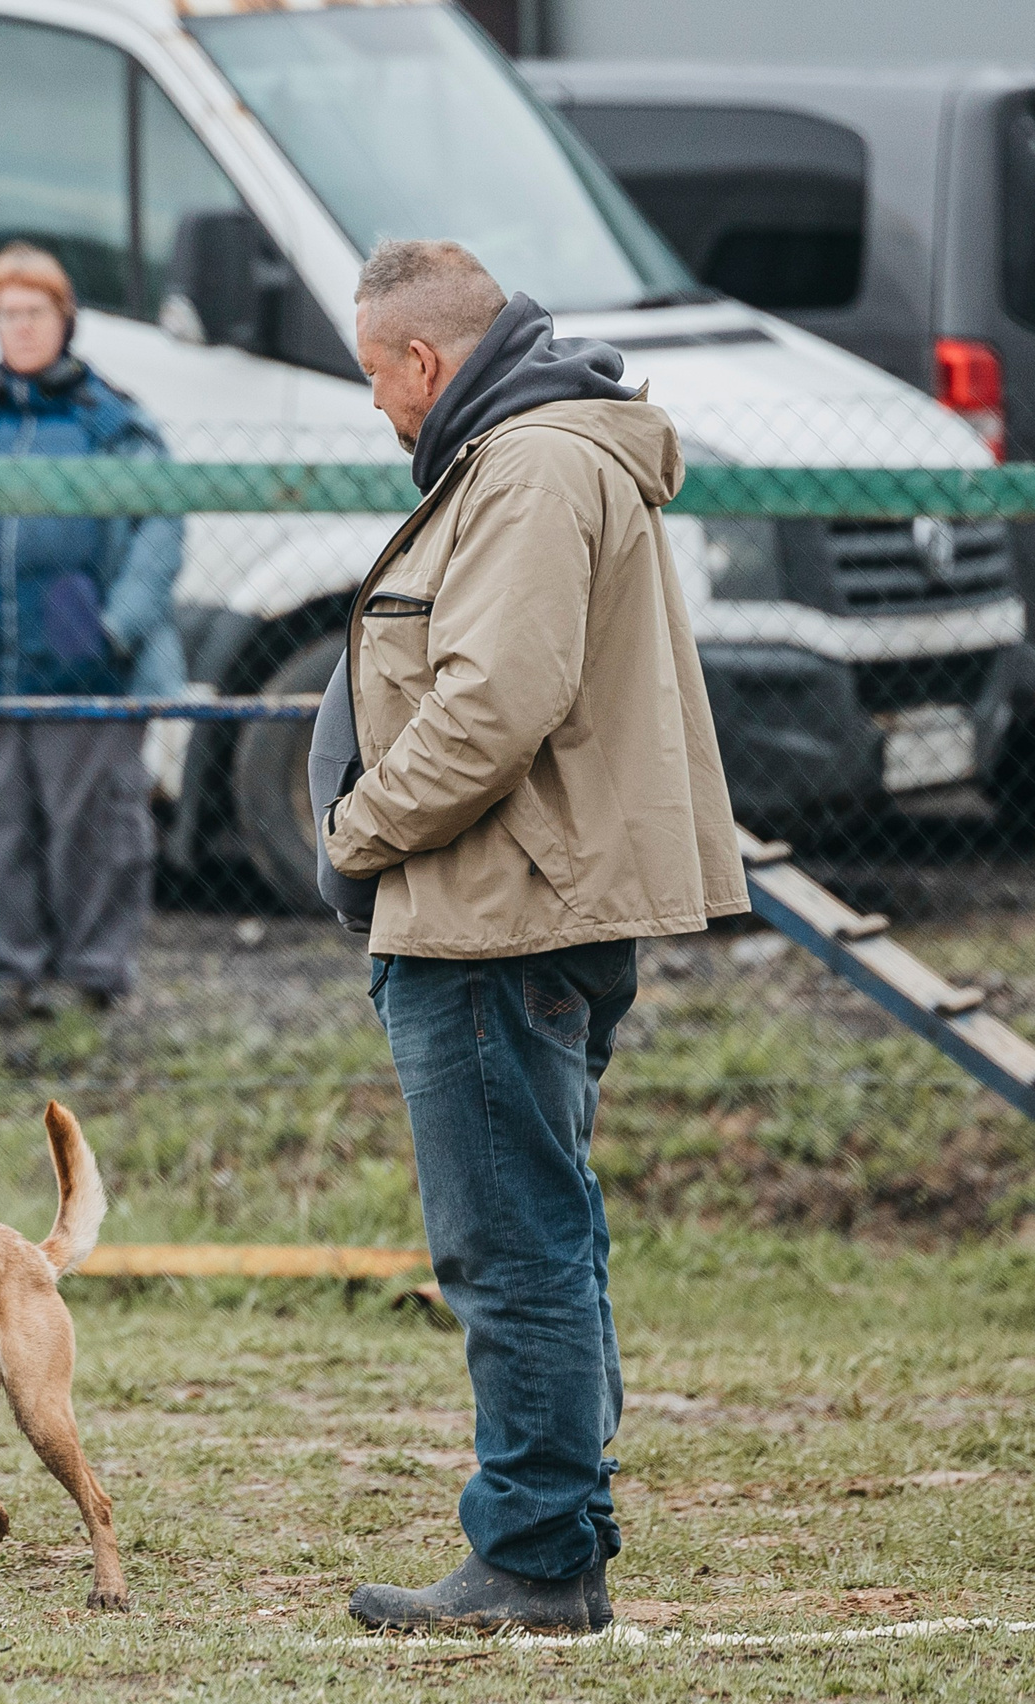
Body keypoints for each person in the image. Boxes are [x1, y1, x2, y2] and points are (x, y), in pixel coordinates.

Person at [321, 240, 747, 1634]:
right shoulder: (540, 454)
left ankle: (538, 1552)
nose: (375, 404)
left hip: (497, 917)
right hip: (515, 906)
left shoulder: (528, 468)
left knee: (511, 1247)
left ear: (423, 360)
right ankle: (556, 1533)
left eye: (374, 374)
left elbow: (491, 705)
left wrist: (356, 829)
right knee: (542, 1229)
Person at [0, 242, 184, 1016]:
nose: (21, 327)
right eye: (7, 314)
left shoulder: (111, 421)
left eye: (34, 312)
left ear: (64, 318)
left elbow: (160, 526)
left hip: (84, 659)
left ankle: (96, 979)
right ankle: (13, 979)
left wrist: (115, 628)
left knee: (92, 827)